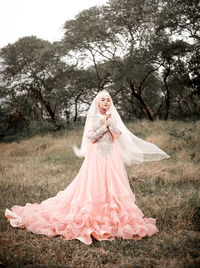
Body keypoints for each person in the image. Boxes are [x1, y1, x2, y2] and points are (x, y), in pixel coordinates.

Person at [5, 90, 169, 245]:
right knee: (94, 183)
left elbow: (118, 134)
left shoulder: (112, 116)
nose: (106, 102)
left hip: (112, 155)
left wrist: (109, 123)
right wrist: (103, 126)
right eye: (103, 100)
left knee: (113, 182)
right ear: (98, 102)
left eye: (108, 100)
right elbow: (91, 137)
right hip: (97, 155)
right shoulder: (93, 117)